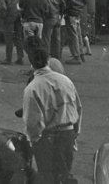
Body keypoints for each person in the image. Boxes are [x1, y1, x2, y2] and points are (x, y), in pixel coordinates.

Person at [23, 44, 83, 184]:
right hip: (67, 135)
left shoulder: (32, 88)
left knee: (47, 176)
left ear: (32, 64)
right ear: (48, 61)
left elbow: (32, 122)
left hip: (46, 138)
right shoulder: (65, 81)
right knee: (65, 172)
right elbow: (78, 108)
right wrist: (75, 133)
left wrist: (34, 140)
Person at [62, 0, 87, 64]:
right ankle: (81, 54)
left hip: (71, 12)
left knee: (73, 35)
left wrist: (65, 10)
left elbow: (70, 1)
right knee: (78, 34)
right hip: (78, 12)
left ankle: (76, 56)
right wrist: (80, 7)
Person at [0, 0, 22, 65]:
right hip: (18, 15)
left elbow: (3, 7)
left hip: (8, 16)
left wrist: (2, 16)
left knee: (9, 38)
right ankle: (20, 57)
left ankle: (8, 58)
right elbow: (20, 2)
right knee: (18, 37)